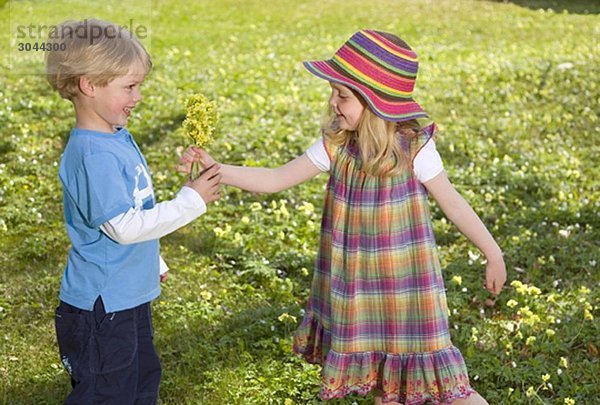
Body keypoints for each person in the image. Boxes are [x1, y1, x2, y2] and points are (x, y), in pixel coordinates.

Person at [180, 30, 506, 404]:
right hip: (358, 291)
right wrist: (216, 168)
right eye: (333, 92)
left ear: (376, 101)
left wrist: (492, 252)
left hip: (407, 291)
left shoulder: (414, 149)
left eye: (343, 95)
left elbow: (455, 204)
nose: (334, 102)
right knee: (388, 389)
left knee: (449, 391)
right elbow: (275, 179)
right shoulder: (336, 145)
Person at [45, 19, 221, 404]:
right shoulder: (93, 155)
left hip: (126, 298)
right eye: (129, 86)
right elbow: (123, 227)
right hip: (102, 309)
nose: (138, 96)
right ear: (89, 84)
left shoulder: (114, 137)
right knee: (108, 393)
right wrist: (190, 201)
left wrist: (151, 259)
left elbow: (136, 205)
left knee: (140, 382)